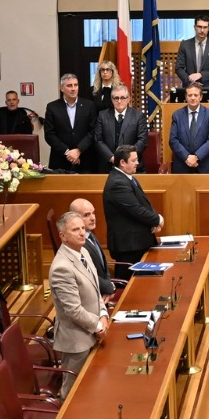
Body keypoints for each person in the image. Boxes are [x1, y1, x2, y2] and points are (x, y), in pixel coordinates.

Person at [48, 210, 108, 397]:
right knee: (74, 394)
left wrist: (104, 315)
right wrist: (98, 325)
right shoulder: (61, 268)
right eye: (76, 230)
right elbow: (73, 310)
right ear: (63, 236)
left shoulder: (82, 252)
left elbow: (96, 290)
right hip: (77, 341)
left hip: (94, 331)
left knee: (94, 390)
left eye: (82, 228)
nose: (82, 233)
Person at [102, 147, 163, 275]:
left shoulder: (127, 178)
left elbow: (144, 202)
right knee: (129, 286)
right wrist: (157, 219)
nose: (137, 163)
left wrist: (153, 221)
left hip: (136, 242)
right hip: (129, 246)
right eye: (134, 160)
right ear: (122, 162)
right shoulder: (117, 183)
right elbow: (136, 210)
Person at [44, 74, 97, 173]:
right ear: (61, 88)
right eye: (69, 86)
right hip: (60, 160)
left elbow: (93, 131)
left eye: (75, 85)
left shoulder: (89, 105)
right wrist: (68, 153)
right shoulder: (52, 107)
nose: (73, 89)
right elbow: (49, 134)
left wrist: (79, 150)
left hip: (84, 160)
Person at [69, 198, 117, 298]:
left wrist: (108, 287)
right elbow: (87, 274)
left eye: (93, 213)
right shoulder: (78, 244)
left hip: (102, 291)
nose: (93, 218)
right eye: (86, 215)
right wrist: (110, 288)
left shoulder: (89, 234)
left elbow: (103, 267)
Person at [169, 83, 209, 173]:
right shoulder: (177, 115)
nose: (192, 98)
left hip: (205, 166)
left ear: (200, 97)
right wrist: (186, 157)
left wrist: (196, 157)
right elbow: (173, 140)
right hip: (182, 165)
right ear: (186, 97)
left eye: (195, 95)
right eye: (190, 95)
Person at [93, 85, 148, 166]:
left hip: (131, 165)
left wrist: (127, 158)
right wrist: (111, 157)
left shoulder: (138, 116)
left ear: (128, 99)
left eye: (122, 98)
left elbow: (142, 141)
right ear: (112, 100)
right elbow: (98, 140)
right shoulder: (102, 115)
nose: (119, 101)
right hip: (108, 165)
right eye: (116, 98)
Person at [175, 17, 209, 100]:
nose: (202, 30)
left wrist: (200, 75)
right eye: (199, 27)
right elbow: (179, 68)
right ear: (194, 27)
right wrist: (190, 81)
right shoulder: (185, 45)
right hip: (190, 89)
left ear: (208, 28)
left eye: (205, 27)